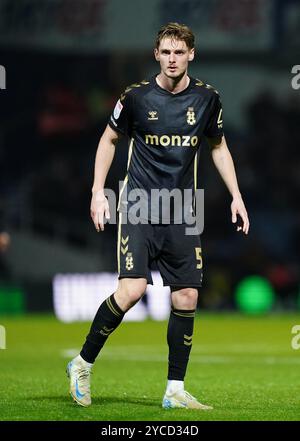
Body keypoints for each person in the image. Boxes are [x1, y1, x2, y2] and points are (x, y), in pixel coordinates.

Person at [67, 22, 249, 409]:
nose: (172, 59)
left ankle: (174, 390)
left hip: (183, 209)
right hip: (139, 205)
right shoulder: (135, 97)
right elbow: (108, 139)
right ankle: (82, 363)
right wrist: (98, 192)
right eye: (165, 52)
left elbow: (218, 147)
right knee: (132, 291)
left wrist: (236, 195)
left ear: (191, 55)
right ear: (156, 55)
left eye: (179, 52)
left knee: (186, 295)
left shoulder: (207, 98)